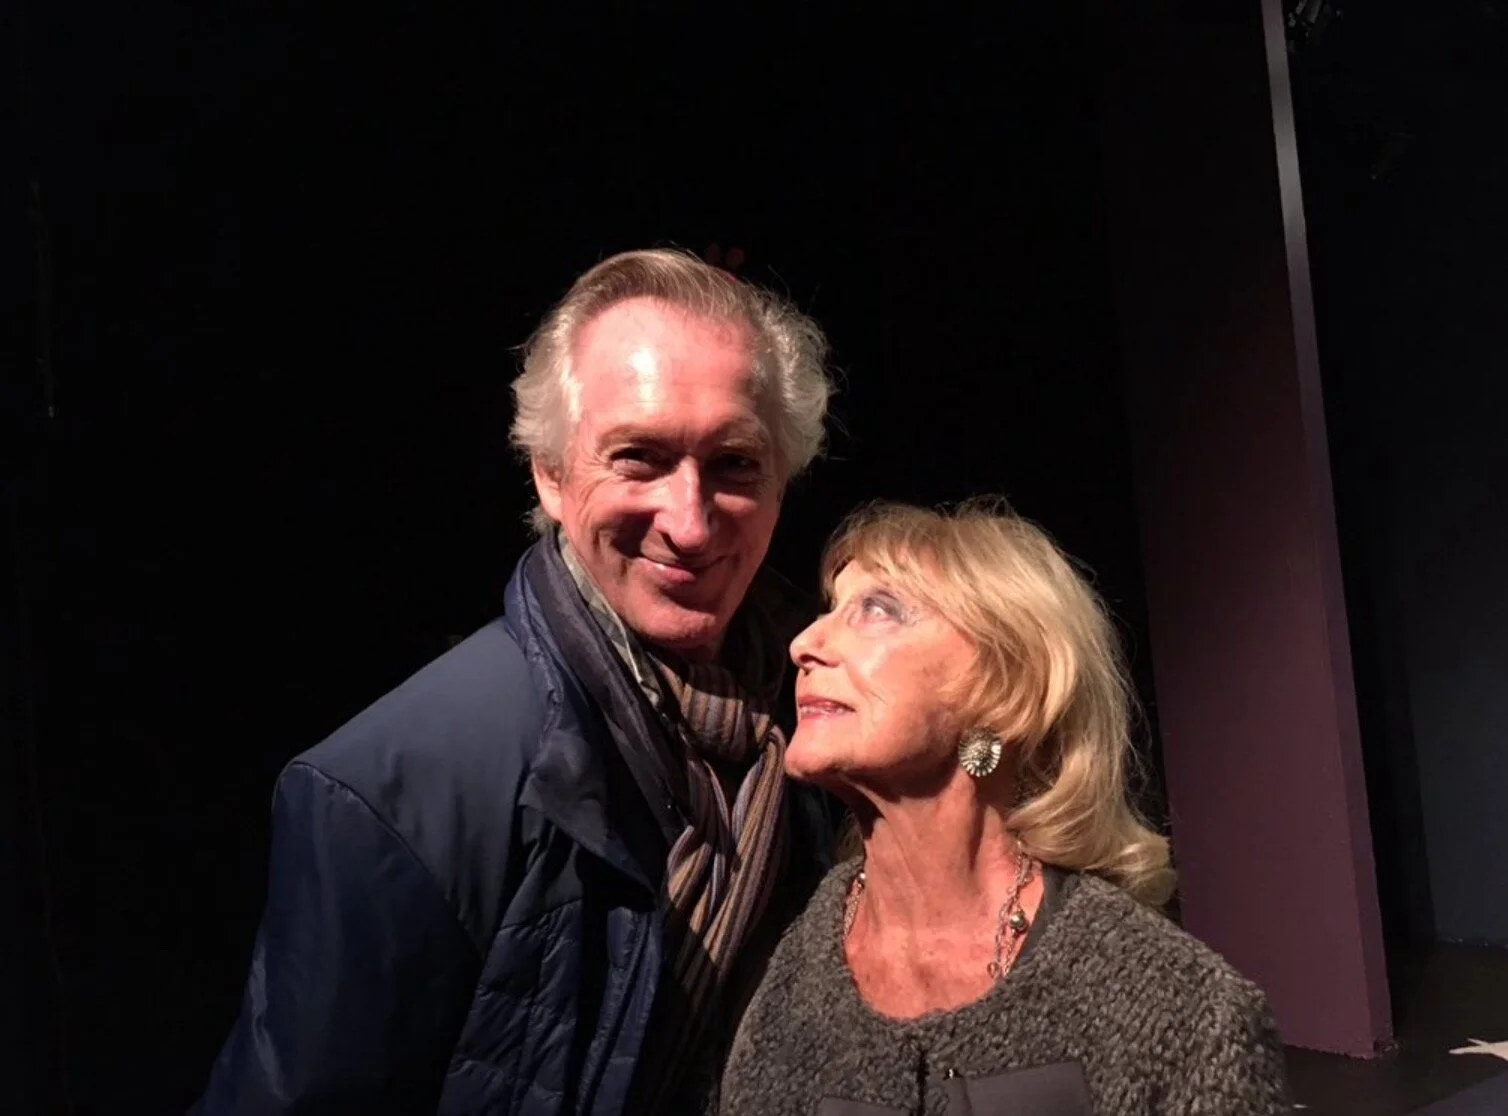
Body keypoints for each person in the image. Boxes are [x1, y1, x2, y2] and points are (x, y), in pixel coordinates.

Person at [192, 249, 838, 1115]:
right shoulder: (393, 789)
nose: (689, 524)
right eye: (638, 458)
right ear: (551, 474)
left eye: (735, 463)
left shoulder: (829, 711)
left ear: (784, 478)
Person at [717, 500, 1291, 1116]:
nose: (804, 643)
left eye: (879, 609)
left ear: (1005, 689)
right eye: (830, 609)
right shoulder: (788, 980)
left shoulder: (1177, 1008)